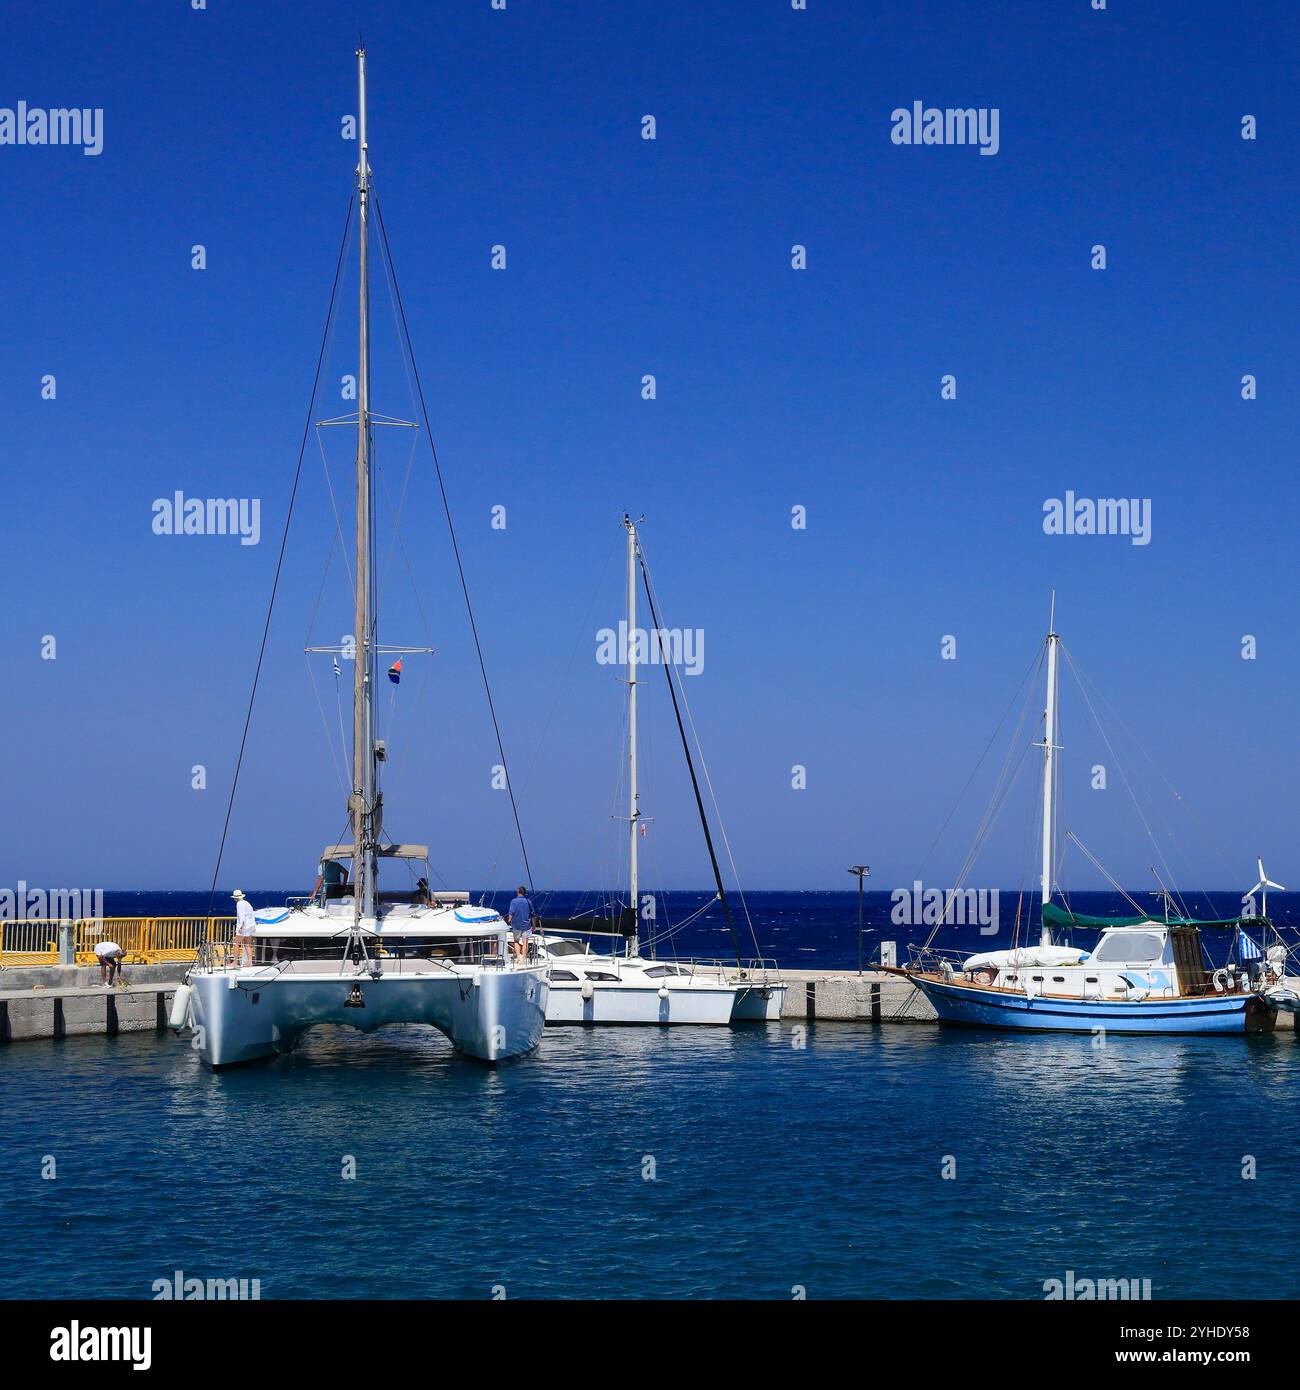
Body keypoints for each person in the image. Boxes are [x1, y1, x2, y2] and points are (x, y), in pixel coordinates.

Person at [506, 885, 536, 963]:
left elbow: (511, 913)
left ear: (518, 892)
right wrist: (534, 925)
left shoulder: (514, 901)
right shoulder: (528, 901)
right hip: (526, 925)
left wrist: (509, 920)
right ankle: (523, 959)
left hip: (516, 925)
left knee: (516, 941)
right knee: (525, 942)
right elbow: (533, 915)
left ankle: (518, 957)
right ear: (524, 893)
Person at [232, 889, 257, 967]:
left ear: (235, 898)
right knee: (247, 944)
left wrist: (241, 927)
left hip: (243, 926)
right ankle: (250, 962)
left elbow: (241, 915)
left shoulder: (239, 904)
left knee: (236, 943)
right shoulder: (247, 903)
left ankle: (235, 963)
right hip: (250, 926)